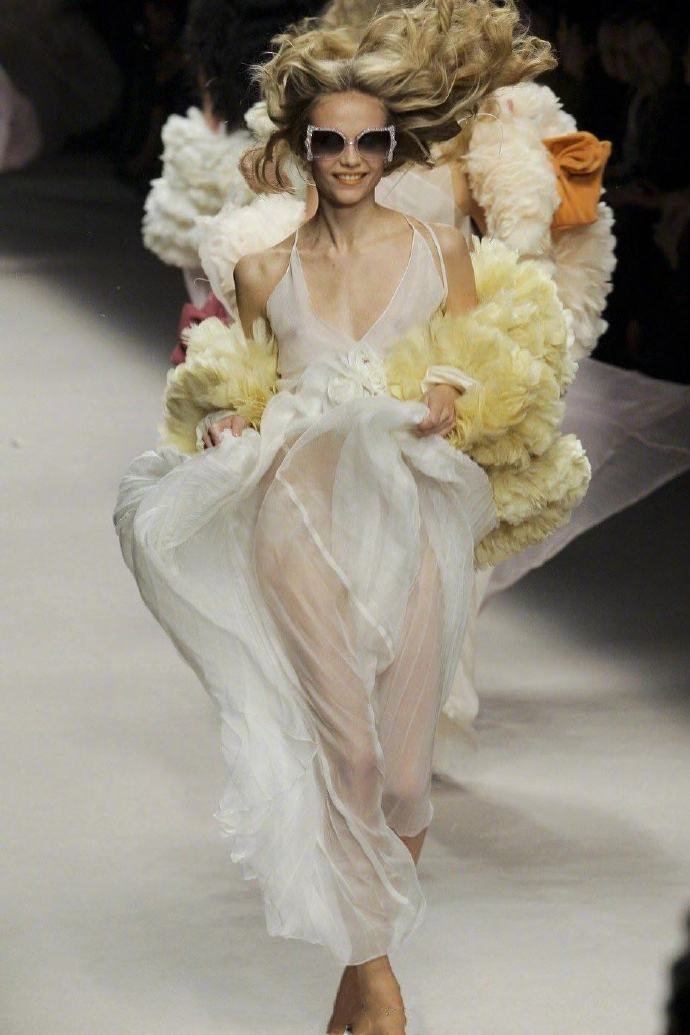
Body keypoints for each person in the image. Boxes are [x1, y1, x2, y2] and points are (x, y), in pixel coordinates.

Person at [114, 4, 587, 1033]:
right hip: (297, 515)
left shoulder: (441, 251)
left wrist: (450, 392)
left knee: (409, 783)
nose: (351, 161)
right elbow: (248, 385)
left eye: (371, 142)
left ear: (394, 147)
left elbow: (477, 361)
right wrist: (225, 422)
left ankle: (354, 987)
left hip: (411, 514)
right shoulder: (261, 272)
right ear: (300, 148)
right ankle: (381, 990)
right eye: (330, 142)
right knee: (355, 765)